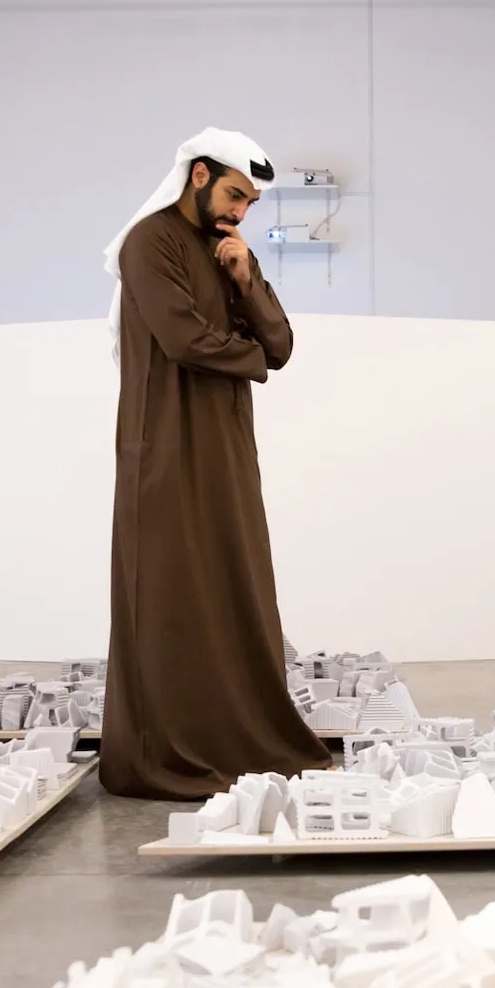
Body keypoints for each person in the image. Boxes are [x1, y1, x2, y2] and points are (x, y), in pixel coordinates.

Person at [98, 129, 329, 800]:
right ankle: (162, 752)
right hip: (165, 447)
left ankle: (240, 739)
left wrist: (246, 278)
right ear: (198, 174)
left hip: (226, 445)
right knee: (170, 593)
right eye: (235, 194)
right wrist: (248, 354)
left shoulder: (226, 249)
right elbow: (184, 340)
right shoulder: (150, 243)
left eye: (251, 202)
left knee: (235, 585)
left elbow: (280, 344)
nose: (241, 211)